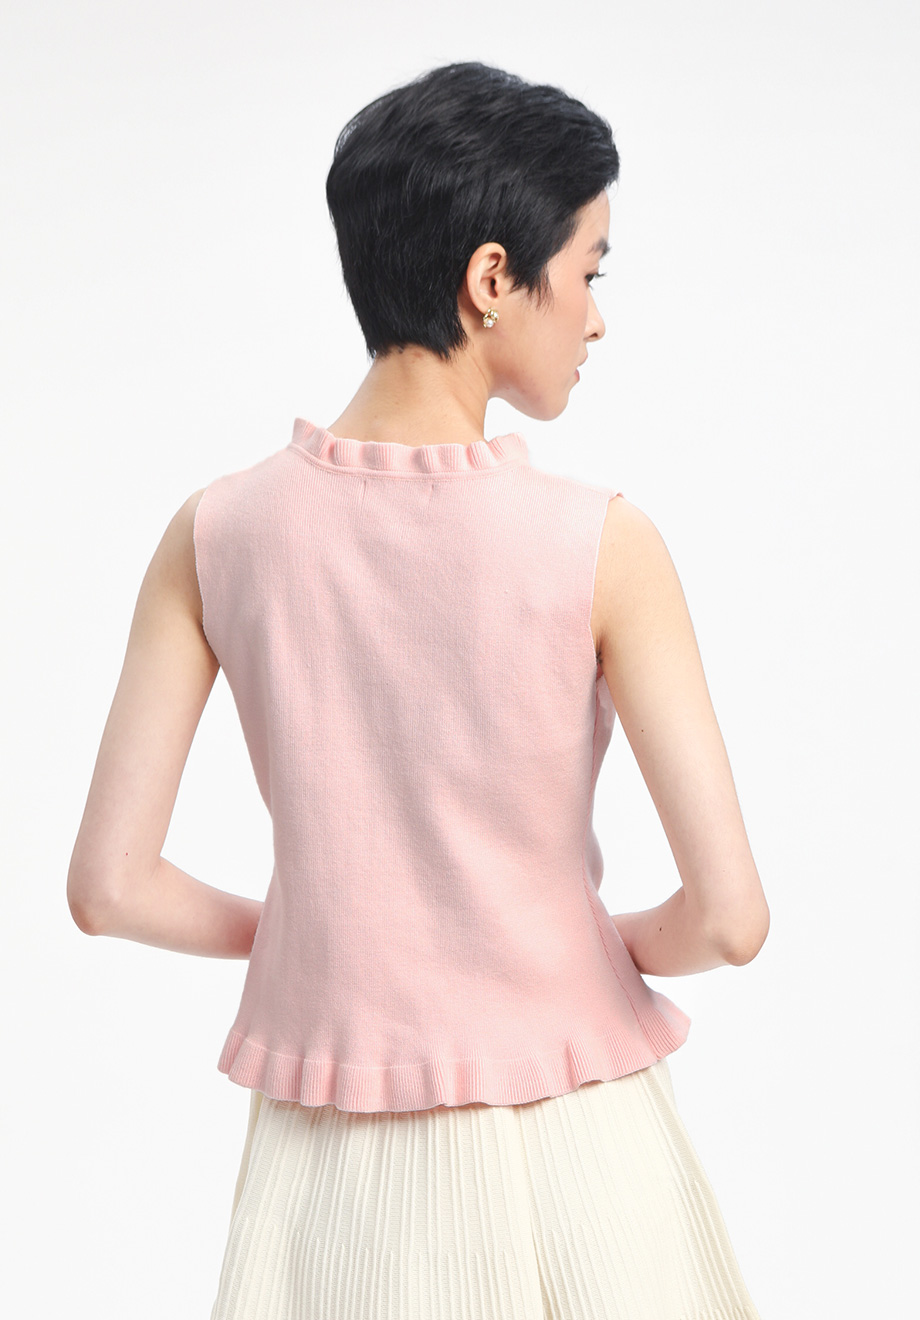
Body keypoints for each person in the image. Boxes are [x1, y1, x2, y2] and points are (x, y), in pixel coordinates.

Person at [67, 60, 769, 1320]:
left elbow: (108, 886)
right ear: (493, 278)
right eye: (589, 270)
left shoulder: (213, 535)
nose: (596, 319)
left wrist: (326, 931)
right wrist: (571, 946)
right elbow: (727, 920)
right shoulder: (602, 545)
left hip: (328, 1158)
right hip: (576, 1128)